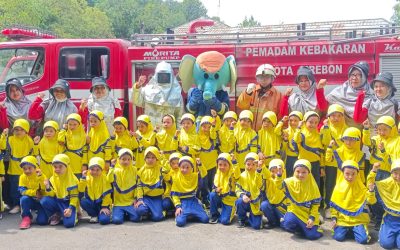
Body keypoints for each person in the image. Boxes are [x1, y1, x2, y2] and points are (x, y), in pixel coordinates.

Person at [330, 160, 376, 244]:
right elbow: (334, 206)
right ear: (342, 173)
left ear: (357, 174)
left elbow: (371, 201)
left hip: (358, 220)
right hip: (343, 220)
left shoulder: (361, 188)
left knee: (363, 240)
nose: (350, 177)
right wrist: (334, 218)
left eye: (353, 174)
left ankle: (356, 229)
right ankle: (350, 230)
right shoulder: (338, 188)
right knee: (338, 237)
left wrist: (371, 191)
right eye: (347, 173)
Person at [132, 61, 184, 127]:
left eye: (166, 75)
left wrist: (178, 134)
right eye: (161, 75)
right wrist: (138, 86)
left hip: (168, 133)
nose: (163, 77)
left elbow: (179, 117)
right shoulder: (148, 90)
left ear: (171, 76)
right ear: (156, 75)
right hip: (150, 132)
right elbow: (136, 102)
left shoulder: (177, 94)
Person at [281, 159, 323, 240]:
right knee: (287, 224)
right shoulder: (290, 182)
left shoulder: (313, 186)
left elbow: (315, 205)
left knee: (312, 236)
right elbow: (279, 185)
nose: (300, 175)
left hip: (307, 216)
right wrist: (279, 175)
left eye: (304, 172)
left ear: (309, 172)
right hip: (295, 212)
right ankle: (302, 229)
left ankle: (316, 225)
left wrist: (312, 218)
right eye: (298, 171)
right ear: (294, 171)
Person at [325, 61, 373, 127]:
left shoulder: (370, 94)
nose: (354, 78)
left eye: (359, 75)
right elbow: (325, 105)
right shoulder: (341, 90)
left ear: (364, 77)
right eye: (352, 74)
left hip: (358, 133)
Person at [0, 119, 33, 214]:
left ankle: (27, 205)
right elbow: (2, 147)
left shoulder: (29, 140)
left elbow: (34, 151)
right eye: (16, 129)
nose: (19, 132)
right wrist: (4, 136)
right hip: (13, 169)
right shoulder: (10, 139)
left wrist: (35, 144)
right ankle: (16, 205)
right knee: (14, 189)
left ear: (26, 130)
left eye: (21, 130)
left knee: (27, 188)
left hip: (26, 169)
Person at [320, 104, 348, 218]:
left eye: (339, 116)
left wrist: (337, 144)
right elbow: (325, 143)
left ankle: (341, 206)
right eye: (333, 116)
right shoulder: (325, 127)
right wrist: (326, 128)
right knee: (329, 185)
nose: (336, 118)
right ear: (328, 117)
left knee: (342, 185)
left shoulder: (347, 129)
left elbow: (348, 144)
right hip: (330, 162)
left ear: (343, 116)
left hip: (343, 162)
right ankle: (328, 207)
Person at [237, 64, 282, 131]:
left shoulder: (278, 95)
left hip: (267, 134)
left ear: (272, 78)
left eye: (267, 77)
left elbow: (279, 116)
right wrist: (247, 94)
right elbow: (241, 106)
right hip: (249, 132)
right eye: (261, 77)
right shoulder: (251, 91)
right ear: (257, 78)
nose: (264, 80)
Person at [40, 154, 79, 228]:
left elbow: (74, 197)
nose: (57, 169)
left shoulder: (73, 180)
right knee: (44, 200)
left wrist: (70, 209)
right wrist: (48, 187)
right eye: (55, 167)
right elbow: (52, 194)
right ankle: (57, 213)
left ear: (67, 167)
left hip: (68, 204)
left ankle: (74, 213)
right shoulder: (52, 178)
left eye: (60, 166)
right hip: (58, 201)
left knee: (69, 224)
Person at [369, 159, 400, 249]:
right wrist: (374, 170)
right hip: (390, 220)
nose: (398, 177)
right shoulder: (388, 182)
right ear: (391, 172)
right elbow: (372, 183)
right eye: (395, 173)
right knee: (386, 244)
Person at [171, 156, 208, 227]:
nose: (184, 169)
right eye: (182, 167)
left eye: (187, 167)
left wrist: (200, 164)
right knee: (180, 222)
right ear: (179, 167)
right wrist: (178, 206)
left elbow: (204, 174)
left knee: (205, 219)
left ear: (192, 168)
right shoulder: (176, 178)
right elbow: (175, 195)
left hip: (193, 201)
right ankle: (187, 215)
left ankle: (197, 210)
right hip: (183, 203)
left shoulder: (195, 176)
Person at [292, 111, 324, 189]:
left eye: (316, 122)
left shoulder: (318, 135)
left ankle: (314, 201)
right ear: (305, 122)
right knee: (302, 184)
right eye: (310, 122)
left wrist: (322, 167)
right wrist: (298, 128)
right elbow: (296, 140)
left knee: (314, 184)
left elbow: (321, 152)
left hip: (315, 164)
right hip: (303, 164)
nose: (313, 125)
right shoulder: (301, 134)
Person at [107, 148, 139, 224]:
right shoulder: (115, 170)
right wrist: (111, 167)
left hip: (130, 202)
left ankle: (125, 213)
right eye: (123, 159)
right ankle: (120, 213)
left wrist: (135, 198)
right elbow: (109, 180)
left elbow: (138, 185)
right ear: (119, 159)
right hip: (118, 203)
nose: (126, 161)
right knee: (117, 221)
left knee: (136, 218)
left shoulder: (134, 170)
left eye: (128, 159)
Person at [135, 146, 165, 222]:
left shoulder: (160, 168)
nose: (150, 160)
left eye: (153, 157)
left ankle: (154, 212)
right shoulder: (141, 171)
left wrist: (162, 158)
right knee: (140, 210)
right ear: (144, 158)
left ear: (157, 158)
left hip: (157, 197)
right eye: (148, 157)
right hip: (146, 197)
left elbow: (167, 169)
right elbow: (139, 187)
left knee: (157, 218)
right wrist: (140, 199)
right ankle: (147, 212)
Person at [209, 153, 240, 225]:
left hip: (229, 201)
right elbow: (214, 187)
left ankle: (227, 212)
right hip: (220, 198)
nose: (222, 167)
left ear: (230, 165)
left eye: (225, 165)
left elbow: (237, 174)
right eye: (220, 165)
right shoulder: (218, 173)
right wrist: (216, 190)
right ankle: (214, 215)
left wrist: (234, 162)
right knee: (212, 194)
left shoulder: (233, 173)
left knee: (225, 221)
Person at [79, 157, 112, 225]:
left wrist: (104, 207)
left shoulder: (105, 178)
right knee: (83, 201)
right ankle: (94, 215)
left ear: (102, 170)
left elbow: (107, 195)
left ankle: (104, 213)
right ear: (89, 169)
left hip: (102, 204)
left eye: (97, 170)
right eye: (92, 169)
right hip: (92, 202)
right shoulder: (87, 177)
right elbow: (80, 189)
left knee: (104, 221)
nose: (94, 172)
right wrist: (83, 178)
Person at [235, 152, 264, 229]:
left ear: (257, 165)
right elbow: (237, 189)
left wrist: (258, 171)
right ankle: (242, 219)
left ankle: (253, 218)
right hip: (246, 202)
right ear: (245, 164)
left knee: (256, 226)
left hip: (255, 203)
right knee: (239, 201)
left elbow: (259, 185)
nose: (250, 167)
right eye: (248, 164)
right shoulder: (242, 176)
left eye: (253, 164)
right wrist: (242, 195)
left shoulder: (259, 175)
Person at [18, 156, 48, 229]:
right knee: (24, 199)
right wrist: (34, 193)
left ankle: (47, 213)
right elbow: (22, 191)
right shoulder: (22, 177)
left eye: (29, 168)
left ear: (36, 168)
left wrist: (40, 177)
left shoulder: (42, 175)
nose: (27, 171)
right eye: (24, 168)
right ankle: (26, 217)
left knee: (42, 222)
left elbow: (45, 189)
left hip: (42, 202)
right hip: (31, 201)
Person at [198, 115, 220, 206]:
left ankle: (213, 200)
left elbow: (215, 130)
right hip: (202, 165)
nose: (206, 129)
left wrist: (215, 117)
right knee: (203, 184)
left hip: (212, 164)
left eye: (209, 127)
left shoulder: (214, 138)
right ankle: (205, 200)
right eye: (204, 126)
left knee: (213, 183)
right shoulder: (198, 137)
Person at [260, 159, 287, 229]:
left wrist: (279, 175)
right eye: (272, 171)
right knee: (264, 205)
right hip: (272, 206)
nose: (275, 174)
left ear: (283, 171)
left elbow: (278, 182)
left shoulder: (286, 183)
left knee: (286, 226)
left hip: (283, 210)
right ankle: (273, 222)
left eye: (278, 171)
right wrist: (262, 166)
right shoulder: (268, 181)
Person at [282, 111, 303, 177]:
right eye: (291, 120)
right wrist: (282, 121)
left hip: (300, 156)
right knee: (289, 175)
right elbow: (283, 148)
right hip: (289, 157)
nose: (293, 123)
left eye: (295, 121)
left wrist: (299, 128)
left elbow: (297, 140)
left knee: (298, 175)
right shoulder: (286, 131)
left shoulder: (303, 132)